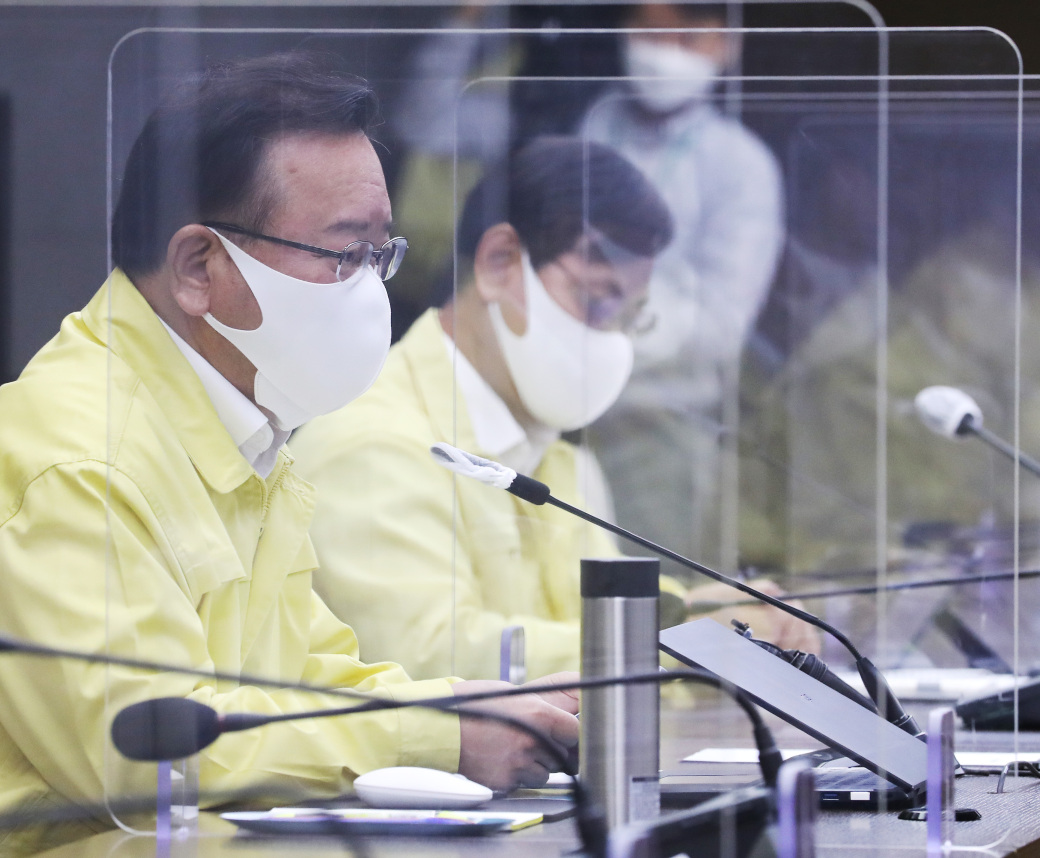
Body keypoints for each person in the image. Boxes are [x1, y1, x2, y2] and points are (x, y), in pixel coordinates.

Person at [0, 53, 580, 852]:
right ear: (198, 266)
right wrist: (435, 737)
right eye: (345, 254)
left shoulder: (239, 418)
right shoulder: (75, 455)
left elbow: (302, 674)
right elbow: (143, 752)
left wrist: (475, 705)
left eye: (382, 254)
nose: (373, 289)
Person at [292, 136, 815, 683]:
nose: (612, 339)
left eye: (629, 316)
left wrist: (697, 611)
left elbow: (586, 618)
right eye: (595, 300)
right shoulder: (370, 445)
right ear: (498, 263)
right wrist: (681, 644)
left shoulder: (557, 456)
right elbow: (429, 657)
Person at [580, 2, 784, 576]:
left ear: (727, 42)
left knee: (650, 601)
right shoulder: (597, 122)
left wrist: (605, 325)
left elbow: (721, 328)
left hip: (663, 429)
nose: (661, 49)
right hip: (564, 412)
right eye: (648, 30)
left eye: (686, 34)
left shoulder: (740, 164)